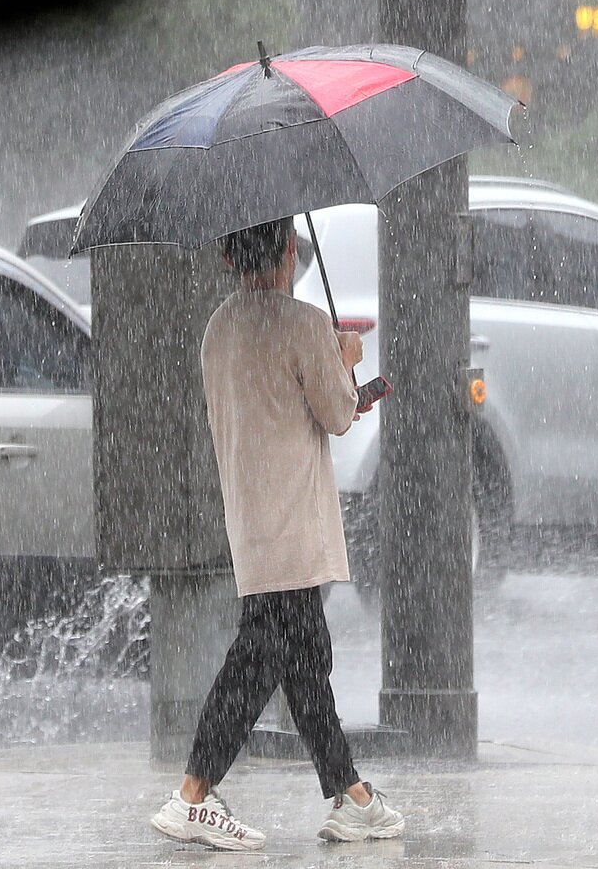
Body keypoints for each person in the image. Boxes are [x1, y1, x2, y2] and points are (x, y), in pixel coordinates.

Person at [150, 217, 404, 851]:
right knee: (261, 657)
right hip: (294, 520)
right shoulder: (304, 324)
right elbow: (340, 415)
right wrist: (346, 361)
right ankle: (192, 794)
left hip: (251, 516)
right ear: (290, 248)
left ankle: (354, 799)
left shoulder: (219, 328)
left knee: (304, 659)